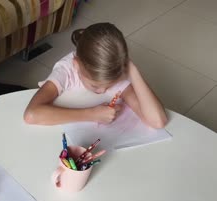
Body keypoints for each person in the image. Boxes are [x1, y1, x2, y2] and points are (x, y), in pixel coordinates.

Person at [24, 22, 167, 128]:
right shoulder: (67, 70)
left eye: (108, 86)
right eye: (95, 85)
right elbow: (31, 114)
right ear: (76, 64)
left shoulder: (116, 72)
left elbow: (157, 122)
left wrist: (133, 70)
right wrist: (92, 114)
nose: (102, 91)